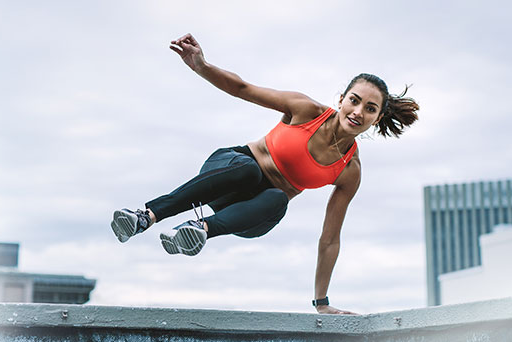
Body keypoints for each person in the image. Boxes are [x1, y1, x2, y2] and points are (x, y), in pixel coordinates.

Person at [111, 33, 419, 315]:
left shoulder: (349, 170)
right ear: (342, 99)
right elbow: (242, 88)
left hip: (248, 212)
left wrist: (322, 303)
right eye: (354, 100)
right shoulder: (305, 109)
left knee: (277, 199)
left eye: (370, 108)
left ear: (377, 119)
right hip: (227, 172)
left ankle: (199, 231)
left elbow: (329, 239)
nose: (357, 112)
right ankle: (146, 216)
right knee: (247, 170)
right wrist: (200, 66)